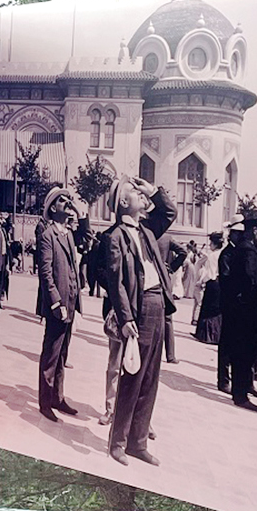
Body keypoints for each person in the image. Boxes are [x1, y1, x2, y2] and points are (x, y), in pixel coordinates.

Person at [104, 177, 177, 466]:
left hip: (159, 305)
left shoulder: (146, 230)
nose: (140, 195)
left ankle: (138, 442)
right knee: (133, 378)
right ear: (124, 202)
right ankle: (118, 443)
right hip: (140, 308)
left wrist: (153, 192)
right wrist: (125, 318)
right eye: (135, 193)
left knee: (150, 379)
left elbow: (169, 212)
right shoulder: (115, 237)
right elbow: (116, 283)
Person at [37, 188, 83, 422]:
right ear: (52, 208)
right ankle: (45, 402)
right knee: (51, 353)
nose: (67, 202)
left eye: (68, 200)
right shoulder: (48, 235)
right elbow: (46, 274)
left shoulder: (68, 234)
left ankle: (58, 397)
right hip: (59, 305)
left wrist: (76, 302)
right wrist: (56, 302)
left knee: (63, 353)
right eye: (61, 200)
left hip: (71, 302)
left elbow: (73, 269)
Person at [217, 214, 257, 411]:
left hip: (245, 311)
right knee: (242, 353)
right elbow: (250, 281)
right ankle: (240, 395)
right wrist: (250, 305)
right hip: (247, 312)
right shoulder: (247, 251)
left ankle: (245, 387)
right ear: (253, 231)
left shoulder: (246, 250)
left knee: (246, 352)